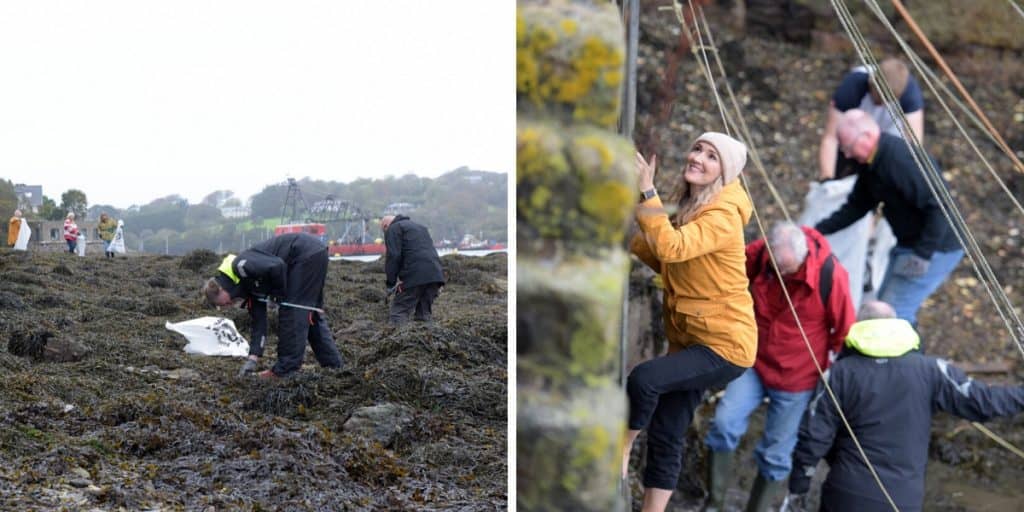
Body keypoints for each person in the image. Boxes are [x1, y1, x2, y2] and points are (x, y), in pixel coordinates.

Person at [623, 132, 757, 512]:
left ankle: (623, 447)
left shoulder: (723, 215)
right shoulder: (696, 205)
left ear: (724, 172)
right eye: (697, 148)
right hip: (692, 339)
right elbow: (670, 262)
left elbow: (671, 247)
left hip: (726, 347)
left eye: (711, 156)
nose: (698, 157)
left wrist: (648, 191)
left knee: (644, 379)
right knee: (666, 431)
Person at [786, 301, 1024, 511]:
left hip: (848, 494)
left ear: (859, 328)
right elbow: (985, 402)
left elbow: (813, 438)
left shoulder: (839, 374)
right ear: (895, 326)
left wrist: (799, 487)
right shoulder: (932, 370)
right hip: (902, 498)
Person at [703, 222, 855, 512]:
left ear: (802, 258)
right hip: (753, 360)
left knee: (776, 454)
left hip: (797, 377)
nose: (782, 275)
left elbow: (845, 331)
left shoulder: (831, 276)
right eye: (777, 269)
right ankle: (714, 503)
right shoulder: (761, 255)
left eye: (788, 270)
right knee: (723, 424)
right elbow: (728, 277)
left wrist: (836, 375)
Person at [814, 110, 962, 331]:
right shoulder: (870, 164)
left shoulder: (901, 162)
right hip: (907, 245)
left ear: (866, 137)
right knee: (881, 306)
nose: (846, 155)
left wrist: (923, 255)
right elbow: (857, 205)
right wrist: (818, 230)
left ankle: (905, 363)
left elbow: (940, 206)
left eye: (847, 147)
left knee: (892, 316)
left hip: (936, 247)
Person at [802, 57, 925, 308]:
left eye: (886, 100)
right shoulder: (853, 86)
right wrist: (828, 180)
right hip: (850, 138)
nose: (880, 102)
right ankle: (829, 252)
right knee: (847, 200)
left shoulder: (910, 96)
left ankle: (868, 257)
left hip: (886, 145)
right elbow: (830, 138)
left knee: (886, 199)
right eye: (877, 96)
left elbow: (913, 149)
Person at [203, 232, 343, 378]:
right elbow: (259, 324)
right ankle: (334, 365)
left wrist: (277, 295)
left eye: (223, 303)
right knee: (310, 313)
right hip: (315, 253)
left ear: (222, 289)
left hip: (303, 253)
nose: (227, 306)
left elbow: (277, 266)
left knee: (292, 311)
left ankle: (285, 370)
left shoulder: (241, 265)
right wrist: (252, 359)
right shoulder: (248, 288)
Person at [381, 214, 445, 325]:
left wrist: (390, 283)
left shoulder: (393, 229)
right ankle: (428, 340)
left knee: (399, 312)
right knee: (424, 315)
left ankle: (399, 340)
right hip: (435, 275)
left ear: (386, 226)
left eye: (383, 231)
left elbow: (393, 256)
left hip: (414, 276)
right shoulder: (420, 227)